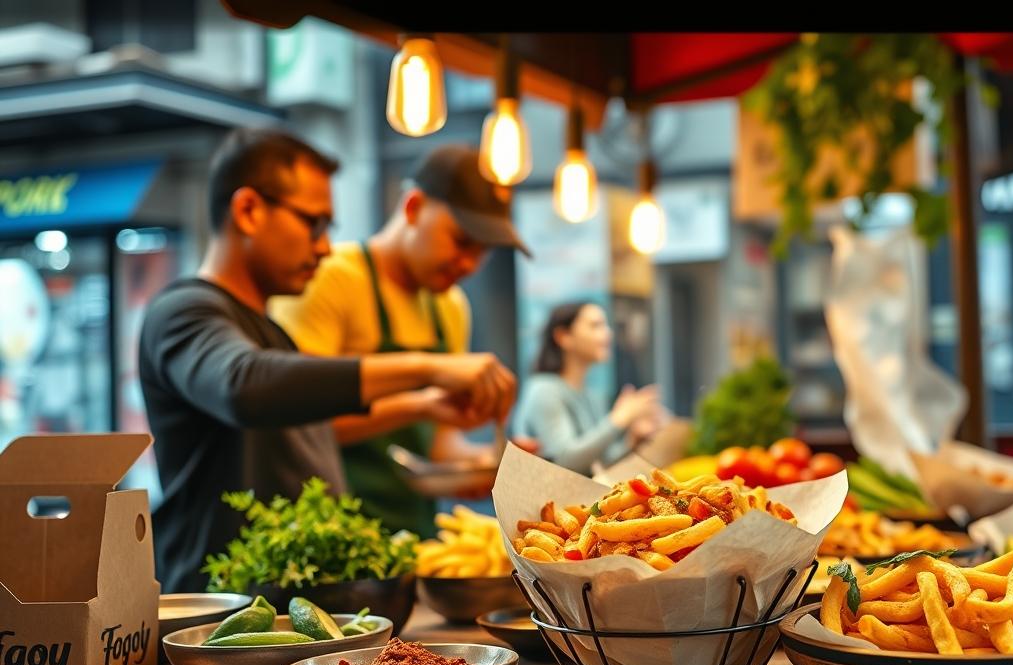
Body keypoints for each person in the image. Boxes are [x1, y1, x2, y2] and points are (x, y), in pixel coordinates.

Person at [139, 128, 516, 593]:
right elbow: (244, 385)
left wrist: (422, 409)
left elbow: (300, 412)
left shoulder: (271, 333)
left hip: (285, 609)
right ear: (248, 211)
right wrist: (427, 369)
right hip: (218, 616)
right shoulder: (182, 312)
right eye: (312, 223)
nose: (322, 247)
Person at [271, 145, 533, 537]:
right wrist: (420, 404)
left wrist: (480, 465)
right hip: (330, 537)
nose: (469, 264)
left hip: (416, 537)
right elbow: (298, 422)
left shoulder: (450, 306)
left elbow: (438, 443)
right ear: (413, 207)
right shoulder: (329, 279)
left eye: (482, 251)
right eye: (461, 241)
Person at [512, 302, 666, 475]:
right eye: (595, 326)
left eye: (606, 325)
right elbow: (565, 460)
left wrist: (632, 440)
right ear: (563, 336)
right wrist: (620, 419)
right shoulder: (543, 390)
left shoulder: (589, 393)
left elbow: (596, 463)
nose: (608, 333)